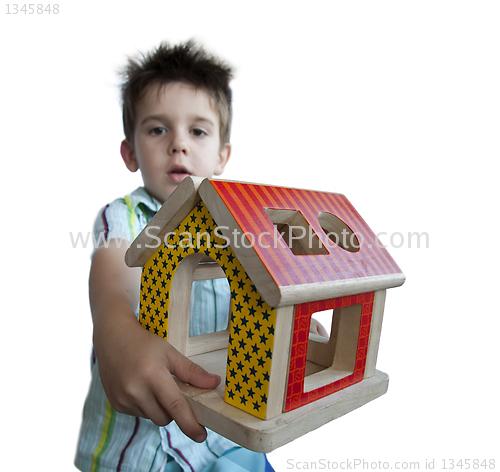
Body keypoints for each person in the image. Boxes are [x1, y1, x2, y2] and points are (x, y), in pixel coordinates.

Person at [75, 40, 325, 472]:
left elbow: (271, 287)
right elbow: (113, 271)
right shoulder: (127, 215)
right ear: (130, 152)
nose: (178, 145)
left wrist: (295, 324)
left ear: (222, 155)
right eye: (157, 129)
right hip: (142, 453)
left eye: (198, 131)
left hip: (230, 439)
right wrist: (116, 330)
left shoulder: (245, 223)